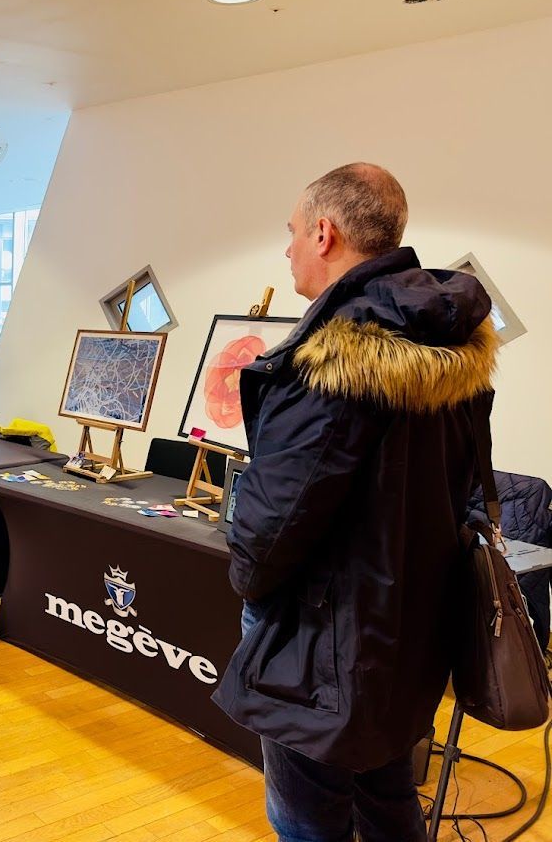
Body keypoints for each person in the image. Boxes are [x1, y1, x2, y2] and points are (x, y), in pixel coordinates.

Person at [211, 163, 498, 842]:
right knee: (388, 796)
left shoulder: (331, 361)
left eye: (291, 232)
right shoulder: (447, 341)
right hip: (408, 626)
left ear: (323, 232)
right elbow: (463, 490)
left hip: (321, 639)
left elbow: (272, 524)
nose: (286, 250)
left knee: (306, 818)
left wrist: (248, 583)